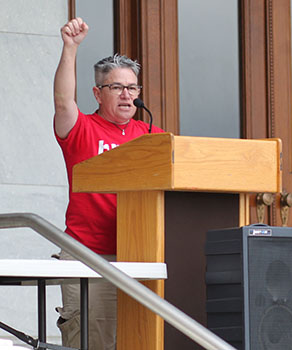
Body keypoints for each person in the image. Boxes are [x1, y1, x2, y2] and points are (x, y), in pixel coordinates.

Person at [53, 17, 164, 349]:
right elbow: (62, 102)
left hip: (141, 255)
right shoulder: (81, 129)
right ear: (97, 93)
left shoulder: (152, 137)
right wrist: (70, 48)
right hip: (89, 255)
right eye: (117, 87)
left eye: (132, 88)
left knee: (141, 340)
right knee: (92, 341)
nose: (127, 95)